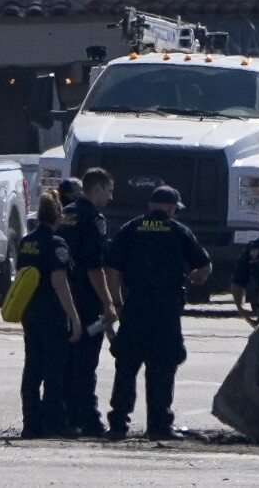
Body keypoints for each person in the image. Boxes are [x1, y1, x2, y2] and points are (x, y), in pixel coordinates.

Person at [104, 186, 212, 440]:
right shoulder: (178, 231)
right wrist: (197, 277)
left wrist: (117, 304)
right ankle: (159, 424)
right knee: (162, 366)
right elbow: (204, 266)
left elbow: (112, 268)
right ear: (171, 207)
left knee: (127, 365)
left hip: (135, 307)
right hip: (166, 309)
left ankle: (118, 423)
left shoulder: (129, 229)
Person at [57, 167, 118, 437]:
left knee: (66, 361)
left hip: (62, 298)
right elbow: (95, 267)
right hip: (86, 299)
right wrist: (108, 303)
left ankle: (66, 415)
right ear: (96, 189)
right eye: (108, 190)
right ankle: (88, 417)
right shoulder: (93, 219)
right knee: (85, 362)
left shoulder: (65, 214)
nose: (110, 196)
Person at [18, 191, 84, 438]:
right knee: (53, 370)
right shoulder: (56, 243)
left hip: (30, 311)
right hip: (51, 314)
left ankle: (31, 422)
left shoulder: (27, 242)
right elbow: (59, 282)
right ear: (58, 215)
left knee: (32, 368)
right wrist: (74, 318)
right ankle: (54, 423)